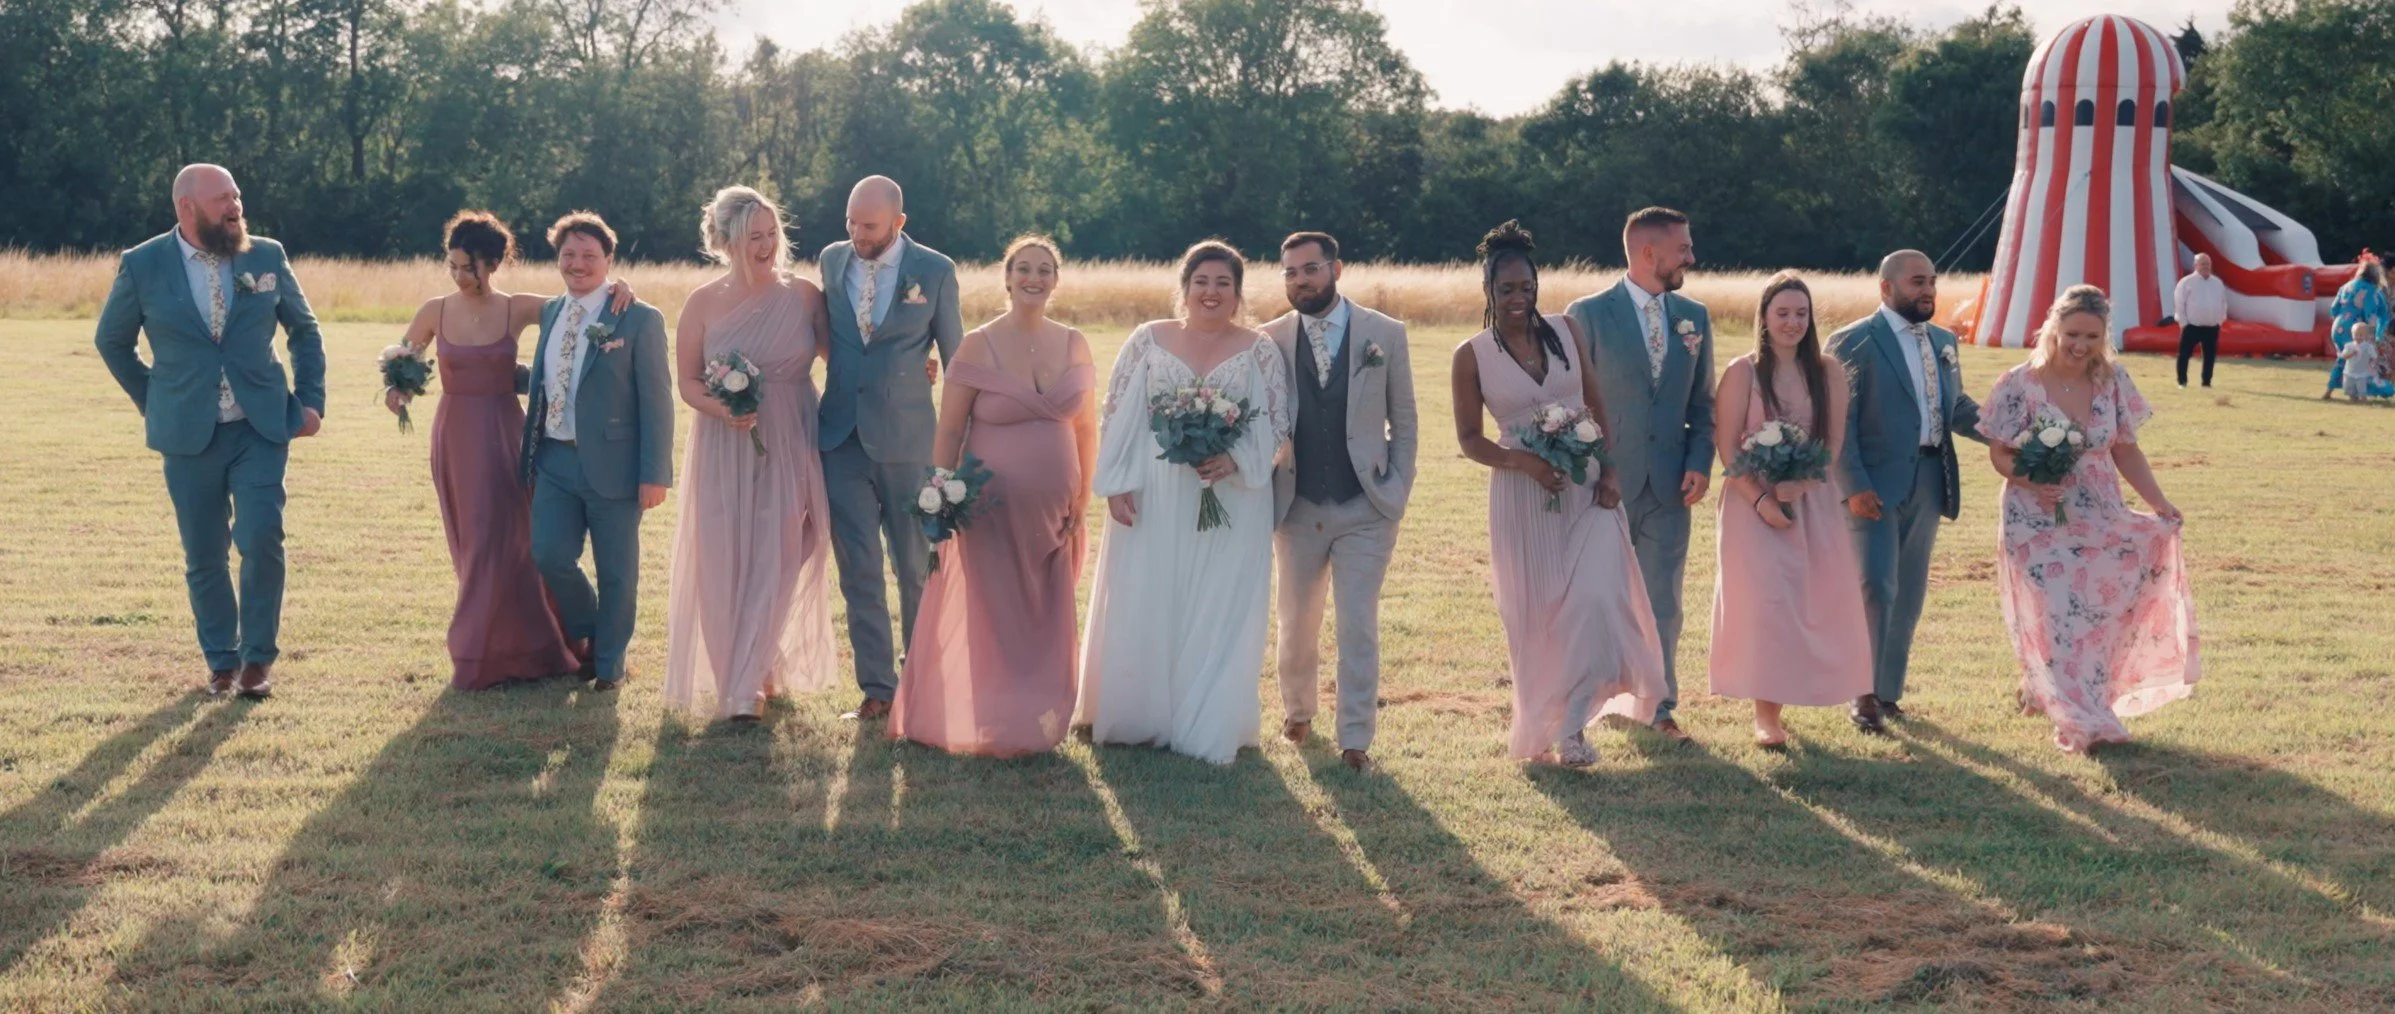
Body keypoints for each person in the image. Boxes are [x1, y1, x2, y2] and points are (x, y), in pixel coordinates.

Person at [93, 163, 326, 699]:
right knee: (204, 553)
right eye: (223, 198)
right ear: (187, 207)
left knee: (261, 536)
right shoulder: (144, 263)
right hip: (187, 433)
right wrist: (155, 401)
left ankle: (257, 661)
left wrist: (311, 400)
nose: (235, 206)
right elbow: (112, 341)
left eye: (237, 195)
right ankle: (221, 661)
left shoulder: (266, 254)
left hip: (261, 426)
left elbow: (305, 331)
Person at [382, 211, 633, 691]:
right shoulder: (434, 310)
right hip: (455, 438)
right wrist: (399, 391)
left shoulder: (519, 307)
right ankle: (482, 650)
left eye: (468, 267)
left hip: (506, 434)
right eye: (452, 265)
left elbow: (581, 301)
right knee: (476, 544)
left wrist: (619, 286)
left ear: (494, 263)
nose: (459, 276)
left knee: (517, 542)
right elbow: (404, 361)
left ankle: (531, 644)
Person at [1452, 221, 1667, 767]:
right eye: (1507, 290)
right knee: (1538, 619)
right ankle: (1546, 732)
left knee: (1594, 603)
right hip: (1523, 503)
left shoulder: (1567, 331)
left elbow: (1595, 408)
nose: (1519, 298)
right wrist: (1522, 462)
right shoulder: (1471, 354)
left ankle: (1573, 729)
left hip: (1587, 493)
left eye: (1527, 287)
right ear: (1489, 292)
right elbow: (1470, 440)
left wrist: (1611, 471)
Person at [1078, 240, 1293, 765]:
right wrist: (1117, 484)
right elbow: (1118, 413)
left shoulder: (1259, 348)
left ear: (1238, 293)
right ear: (1185, 287)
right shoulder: (1147, 339)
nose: (1211, 292)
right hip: (1155, 490)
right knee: (1150, 592)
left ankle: (1207, 719)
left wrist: (1237, 461)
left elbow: (1277, 426)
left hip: (1232, 497)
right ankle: (1142, 715)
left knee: (1220, 602)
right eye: (1202, 282)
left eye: (1223, 283)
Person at [890, 236, 1098, 756]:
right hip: (986, 509)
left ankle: (1037, 717)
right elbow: (950, 428)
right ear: (1007, 279)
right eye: (1023, 268)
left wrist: (1082, 498)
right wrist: (941, 494)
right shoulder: (978, 344)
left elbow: (1086, 429)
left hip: (1055, 512)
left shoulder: (1074, 342)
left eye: (1044, 269)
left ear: (1056, 279)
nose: (1034, 277)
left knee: (1046, 613)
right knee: (995, 612)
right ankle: (990, 718)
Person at [1979, 285, 2198, 752]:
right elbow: (1998, 452)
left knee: (2096, 612)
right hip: (2034, 515)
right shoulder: (2019, 383)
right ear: (2052, 327)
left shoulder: (2112, 381)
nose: (2080, 345)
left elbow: (2124, 448)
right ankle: (2081, 718)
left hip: (2099, 508)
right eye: (2072, 333)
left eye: (2091, 337)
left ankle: (2063, 691)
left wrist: (2159, 502)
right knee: (2059, 611)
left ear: (2104, 337)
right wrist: (2032, 481)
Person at [662, 186, 837, 720]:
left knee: (783, 550)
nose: (765, 246)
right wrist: (723, 411)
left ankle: (746, 681)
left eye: (771, 234)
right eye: (751, 237)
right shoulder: (702, 302)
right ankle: (748, 676)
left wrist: (910, 366)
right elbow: (688, 382)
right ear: (724, 242)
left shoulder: (805, 296)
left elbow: (846, 362)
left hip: (792, 437)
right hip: (724, 442)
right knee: (724, 558)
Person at [1263, 231, 1419, 771]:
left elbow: (1405, 419)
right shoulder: (1271, 339)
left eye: (1309, 269)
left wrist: (1395, 489)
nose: (1299, 280)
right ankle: (1298, 710)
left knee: (1357, 622)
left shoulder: (1385, 333)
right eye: (1289, 272)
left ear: (1336, 268)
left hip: (1365, 506)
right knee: (1296, 620)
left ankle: (1355, 739)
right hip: (1297, 504)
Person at [1562, 207, 1714, 742]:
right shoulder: (1587, 314)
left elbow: (1704, 403)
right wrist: (1597, 470)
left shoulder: (1695, 315)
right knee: (1596, 597)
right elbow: (1572, 403)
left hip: (1672, 484)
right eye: (1683, 248)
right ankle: (1585, 702)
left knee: (1664, 601)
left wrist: (1699, 463)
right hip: (1604, 484)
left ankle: (1659, 705)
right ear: (1649, 253)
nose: (1691, 257)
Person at [817, 176, 964, 722]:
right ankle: (878, 690)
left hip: (908, 441)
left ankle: (924, 685)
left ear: (899, 223)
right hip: (839, 439)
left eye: (870, 225)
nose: (857, 233)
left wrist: (957, 449)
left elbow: (957, 363)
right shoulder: (832, 261)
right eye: (851, 221)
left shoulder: (936, 270)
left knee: (914, 565)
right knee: (858, 568)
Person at [1707, 273, 1872, 747]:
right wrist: (1761, 500)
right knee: (1767, 603)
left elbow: (1834, 444)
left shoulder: (1829, 372)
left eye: (1801, 313)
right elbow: (1727, 449)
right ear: (1764, 316)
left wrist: (1802, 482)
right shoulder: (1743, 372)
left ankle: (1810, 690)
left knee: (1807, 601)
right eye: (1783, 313)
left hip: (1810, 501)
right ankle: (1766, 716)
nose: (1793, 322)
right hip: (1749, 503)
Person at [1832, 249, 1987, 734]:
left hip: (1929, 480)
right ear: (1886, 287)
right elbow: (1840, 422)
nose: (1928, 291)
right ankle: (1861, 693)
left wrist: (2011, 430)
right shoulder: (1853, 341)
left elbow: (1955, 406)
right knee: (1875, 586)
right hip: (1873, 485)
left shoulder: (1943, 340)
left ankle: (1888, 693)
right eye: (1918, 282)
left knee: (1909, 593)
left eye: (1933, 283)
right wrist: (1853, 484)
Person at [520, 212, 673, 692]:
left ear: (609, 259)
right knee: (549, 555)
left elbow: (657, 400)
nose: (577, 264)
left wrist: (655, 474)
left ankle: (609, 666)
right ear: (557, 258)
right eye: (568, 254)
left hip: (617, 467)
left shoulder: (640, 318)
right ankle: (589, 629)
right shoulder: (549, 311)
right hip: (555, 459)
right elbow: (551, 378)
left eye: (589, 255)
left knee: (617, 572)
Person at [2325, 254, 2388, 401]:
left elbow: (2333, 309)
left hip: (2338, 327)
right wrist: (2372, 334)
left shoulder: (2346, 286)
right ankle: (2362, 393)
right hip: (2356, 328)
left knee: (2343, 358)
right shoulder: (2371, 290)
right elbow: (2370, 313)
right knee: (2362, 361)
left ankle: (2330, 389)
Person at [2172, 253, 2227, 389]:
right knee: (2184, 354)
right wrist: (2184, 323)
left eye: (2207, 264)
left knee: (2210, 356)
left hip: (2212, 326)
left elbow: (2223, 302)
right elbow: (2179, 303)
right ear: (2195, 265)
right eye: (2202, 264)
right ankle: (2182, 381)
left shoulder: (2217, 283)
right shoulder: (2186, 282)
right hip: (2192, 326)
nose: (2205, 266)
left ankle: (2206, 382)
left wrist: (2220, 320)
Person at [2338, 321, 2383, 402]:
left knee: (2362, 390)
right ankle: (2353, 400)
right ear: (2352, 334)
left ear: (2366, 336)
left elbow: (2374, 357)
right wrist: (2351, 354)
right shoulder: (2349, 346)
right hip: (2349, 372)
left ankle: (2363, 400)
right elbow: (2344, 356)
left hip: (2361, 373)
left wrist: (2373, 364)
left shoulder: (2368, 346)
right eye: (2356, 334)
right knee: (2350, 390)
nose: (2358, 337)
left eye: (2361, 335)